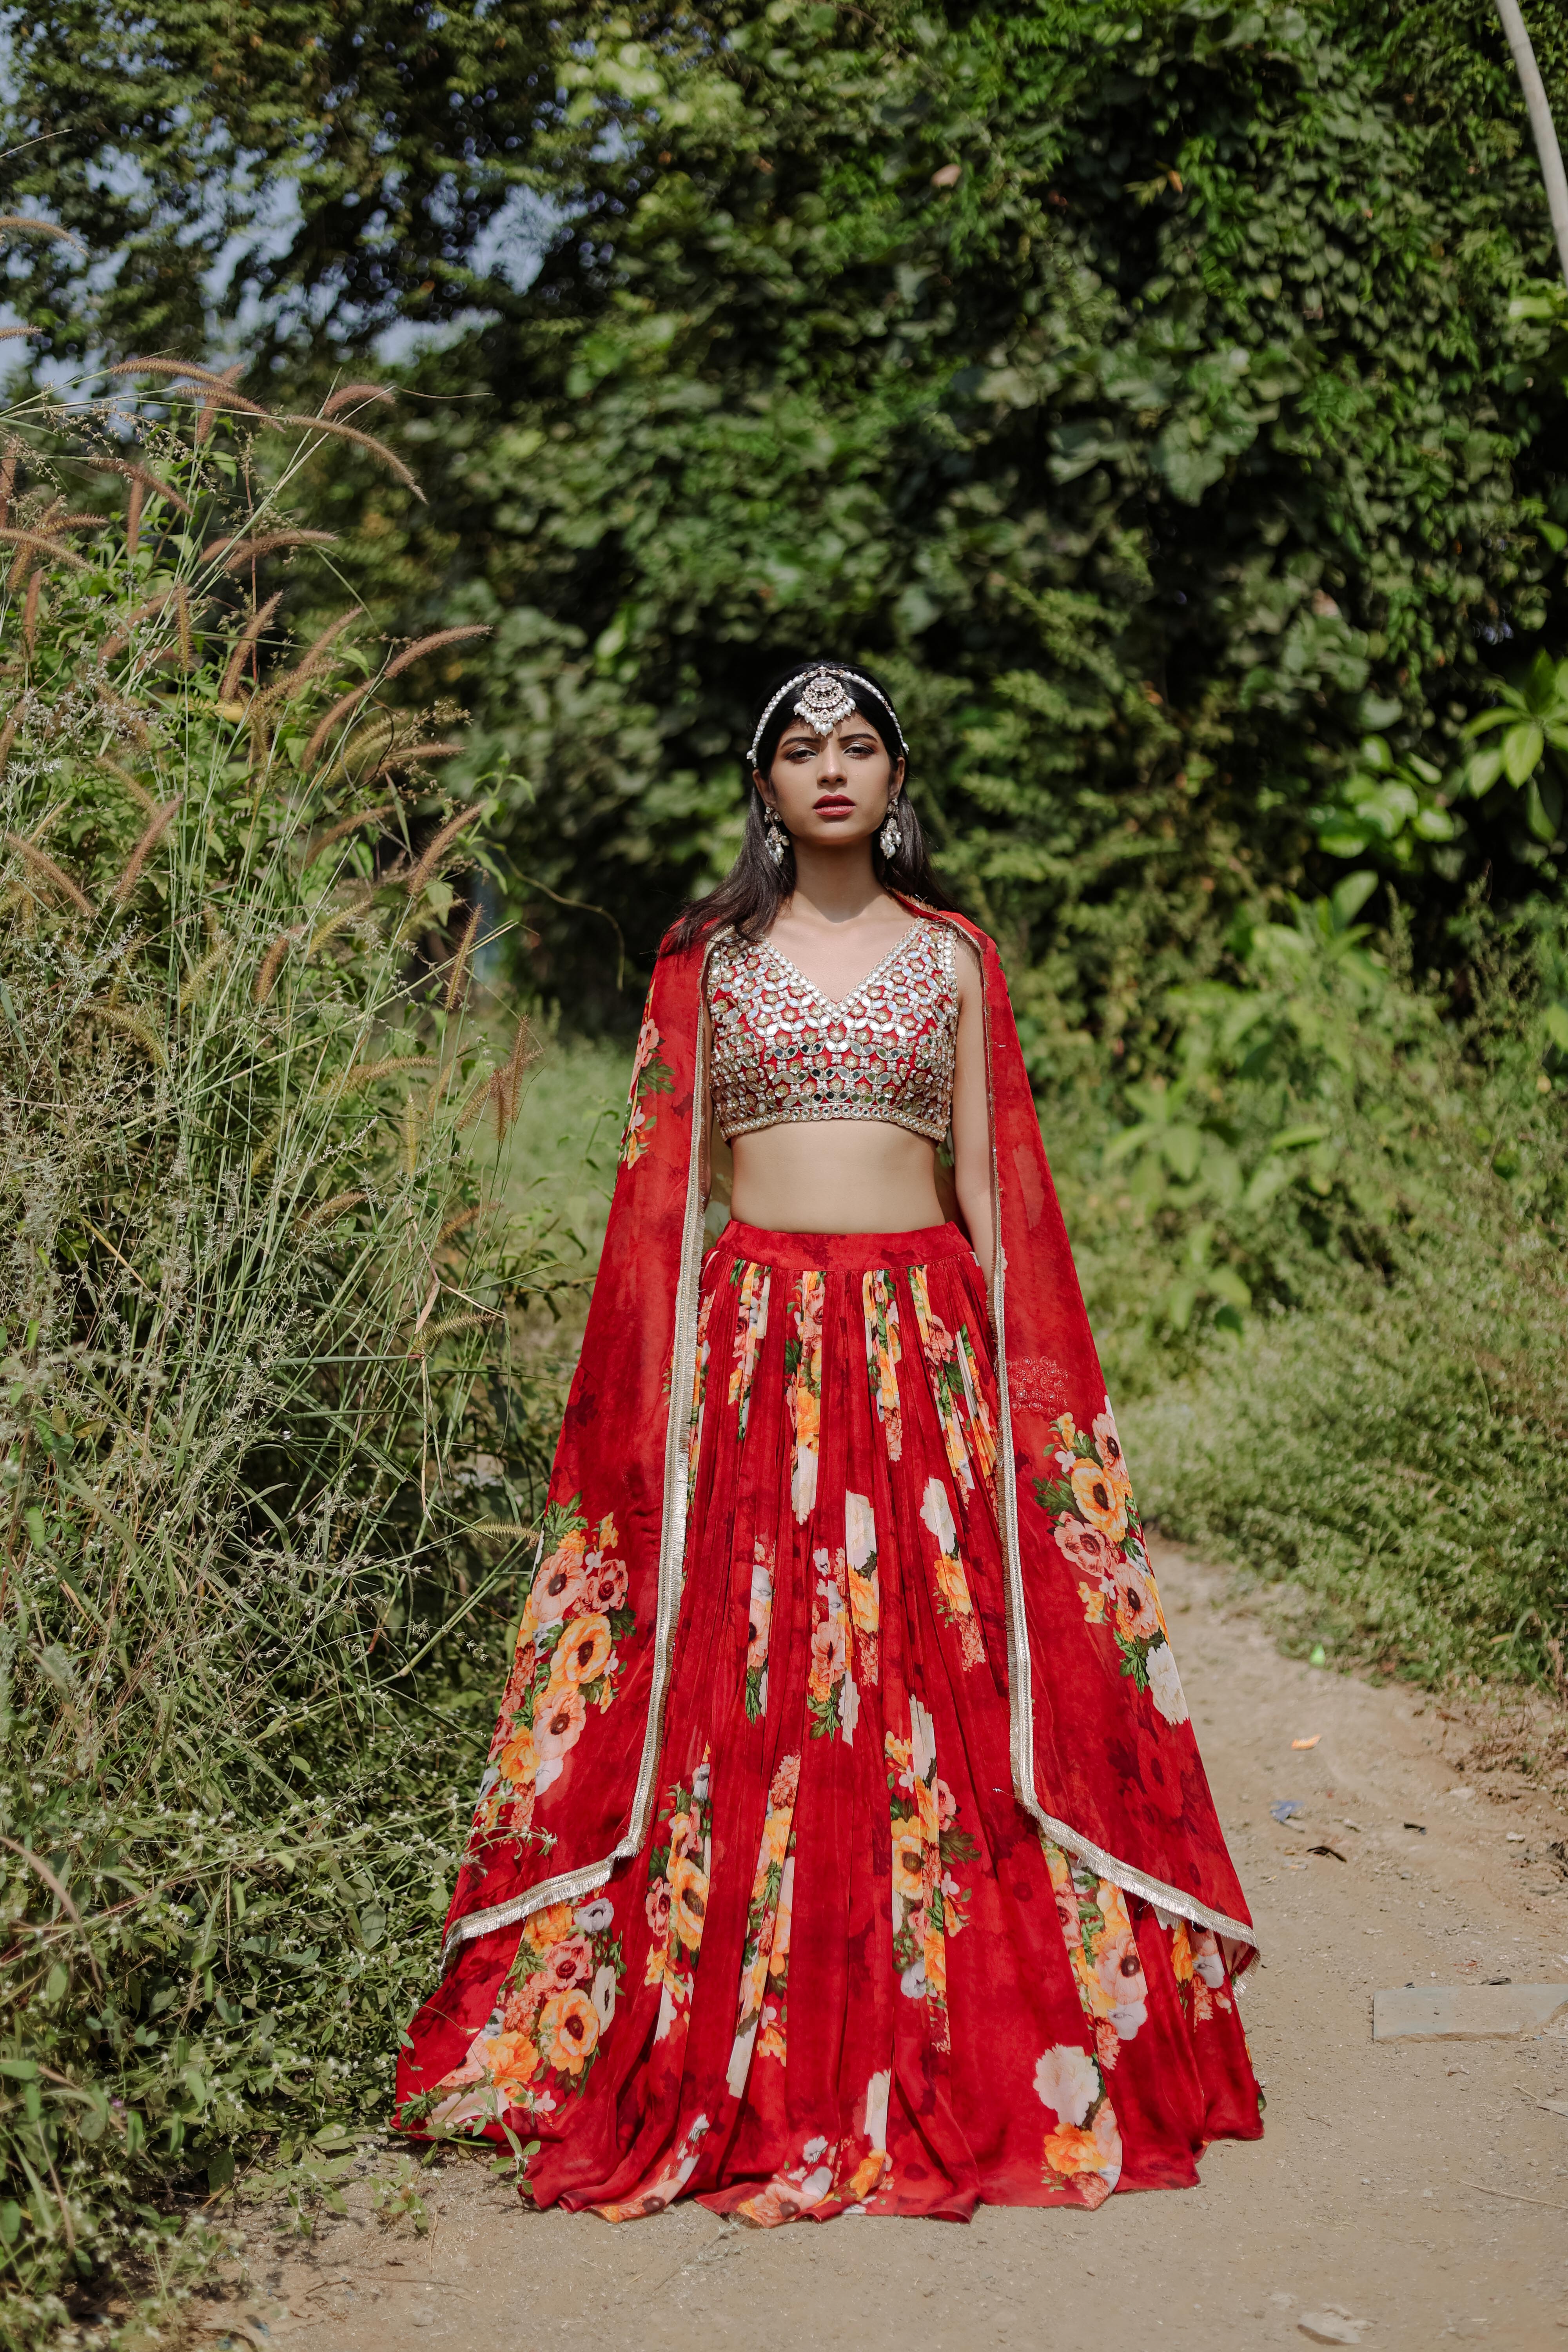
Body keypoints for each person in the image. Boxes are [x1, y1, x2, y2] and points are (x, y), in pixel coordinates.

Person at [394, 661, 1262, 2223]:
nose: (832, 770)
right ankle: (740, 2032)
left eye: (858, 745)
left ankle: (957, 2033)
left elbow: (997, 1197)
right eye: (801, 751)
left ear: (895, 774)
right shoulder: (705, 960)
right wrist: (647, 1419)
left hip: (921, 1348)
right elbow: (664, 1204)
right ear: (766, 788)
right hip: (754, 1355)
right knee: (746, 1687)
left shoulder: (952, 961)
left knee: (940, 1690)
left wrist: (1024, 1412)